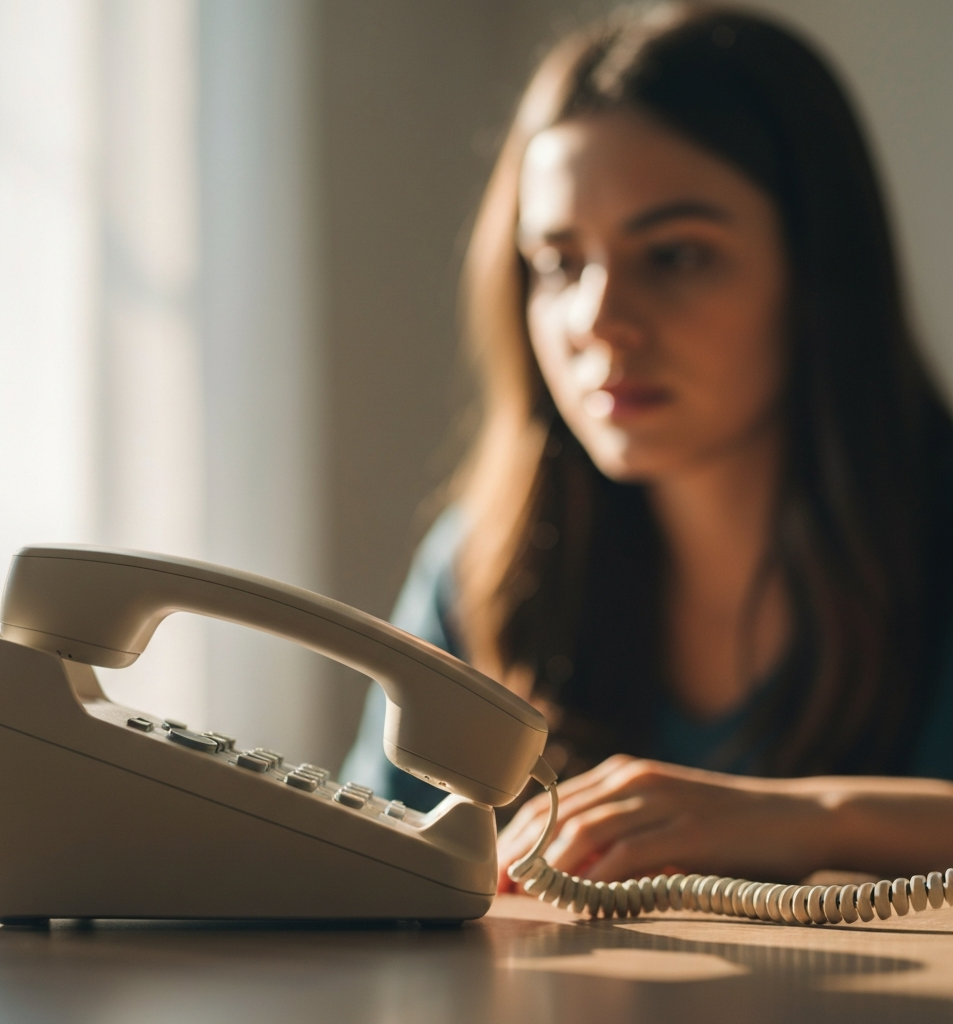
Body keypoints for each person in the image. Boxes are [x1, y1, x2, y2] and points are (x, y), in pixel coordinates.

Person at [342, 3, 953, 888]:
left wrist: (811, 822)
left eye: (675, 255)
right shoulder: (487, 569)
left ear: (820, 273)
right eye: (557, 263)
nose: (598, 320)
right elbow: (367, 859)